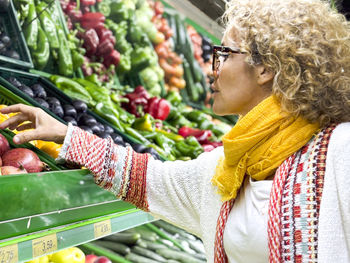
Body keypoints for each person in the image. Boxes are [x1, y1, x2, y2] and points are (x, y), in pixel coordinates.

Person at [1, 0, 350, 262]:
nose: (212, 71)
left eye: (224, 55)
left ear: (266, 70)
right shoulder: (229, 165)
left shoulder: (338, 152)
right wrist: (66, 135)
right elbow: (147, 178)